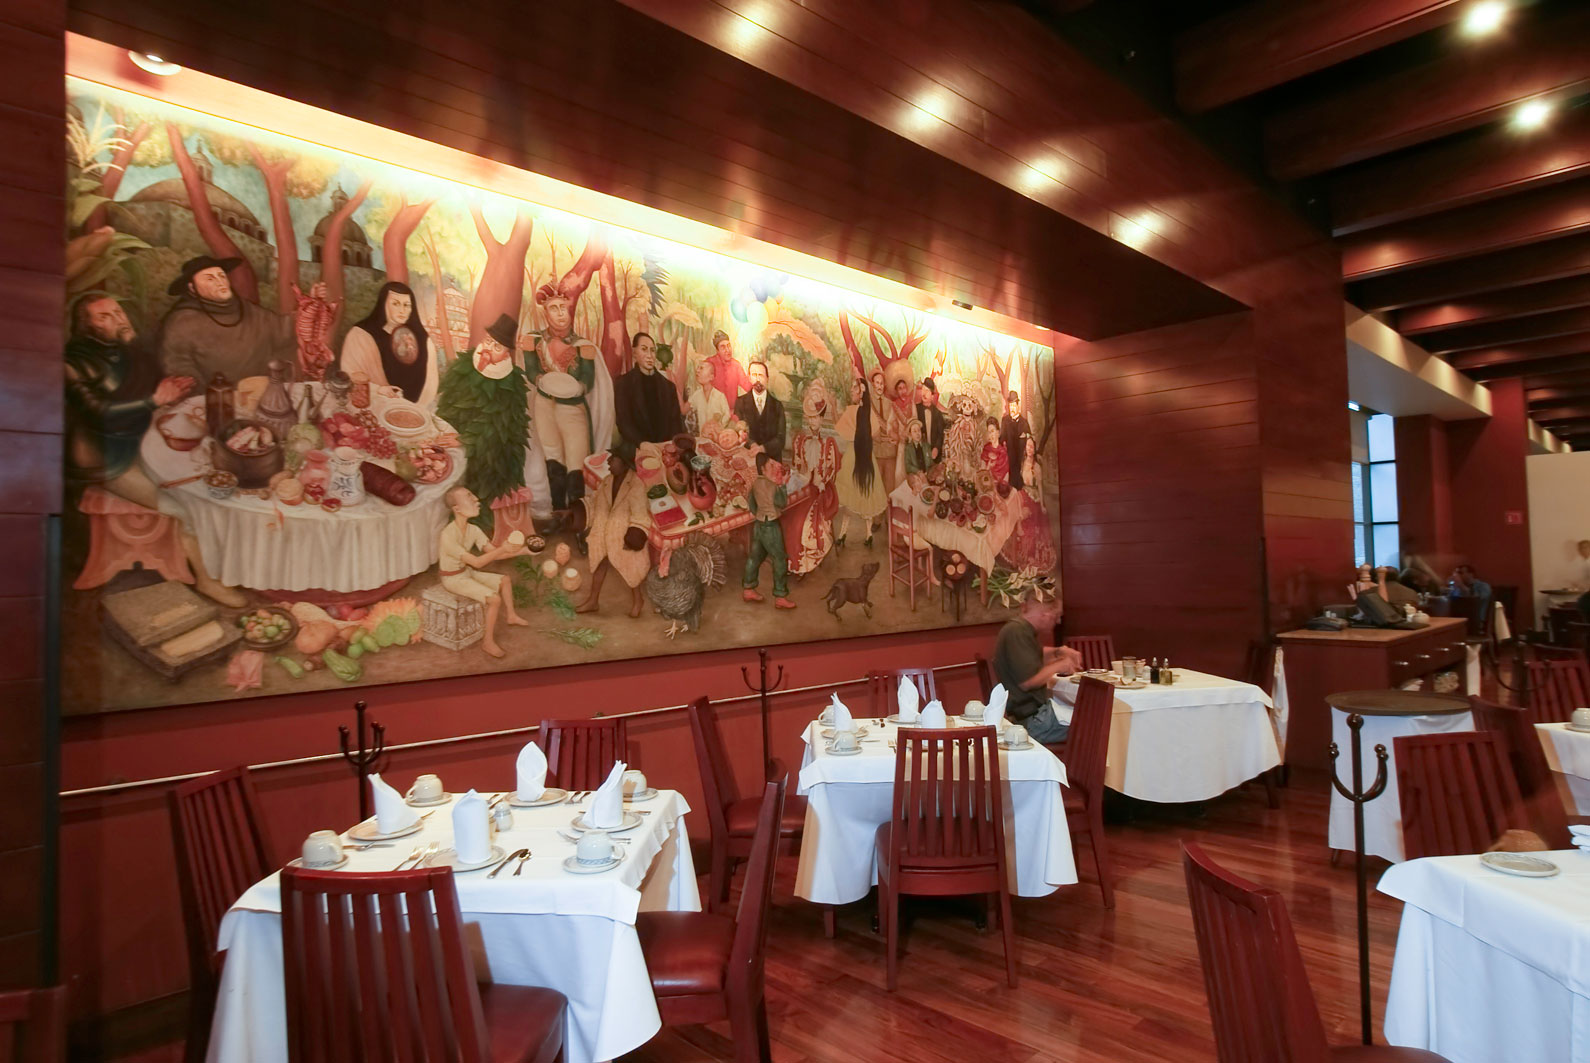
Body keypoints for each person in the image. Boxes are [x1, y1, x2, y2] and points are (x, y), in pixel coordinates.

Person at [64, 293, 246, 607]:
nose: (119, 319)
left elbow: (151, 388)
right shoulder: (73, 363)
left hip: (143, 439)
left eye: (118, 312)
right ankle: (207, 581)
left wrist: (170, 393)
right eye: (104, 317)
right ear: (86, 327)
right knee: (185, 507)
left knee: (215, 475)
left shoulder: (127, 349)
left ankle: (230, 565)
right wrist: (154, 401)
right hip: (108, 458)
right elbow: (100, 413)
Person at [157, 256, 321, 384]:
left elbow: (283, 328)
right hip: (215, 401)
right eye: (210, 278)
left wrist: (312, 304)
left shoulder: (245, 309)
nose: (220, 282)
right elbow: (179, 368)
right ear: (192, 288)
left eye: (222, 276)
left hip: (262, 395)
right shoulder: (181, 322)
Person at [524, 284, 614, 512]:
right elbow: (531, 370)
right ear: (546, 313)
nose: (560, 313)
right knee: (553, 459)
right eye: (554, 308)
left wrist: (577, 388)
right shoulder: (534, 340)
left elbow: (588, 380)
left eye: (563, 308)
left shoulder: (583, 345)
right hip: (544, 406)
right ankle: (558, 512)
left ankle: (578, 517)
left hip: (572, 409)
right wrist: (540, 381)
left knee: (576, 462)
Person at [437, 486, 530, 658]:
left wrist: (524, 551)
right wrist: (503, 548)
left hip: (465, 572)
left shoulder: (473, 530)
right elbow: (477, 562)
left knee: (505, 580)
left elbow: (495, 554)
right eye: (469, 496)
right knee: (494, 599)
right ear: (457, 509)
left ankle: (511, 616)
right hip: (453, 579)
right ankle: (487, 642)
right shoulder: (447, 535)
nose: (476, 499)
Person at [993, 596, 1082, 744]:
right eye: (1057, 615)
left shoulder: (1019, 629)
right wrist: (1060, 665)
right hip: (1033, 721)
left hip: (1030, 715)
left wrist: (1058, 652)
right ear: (1045, 613)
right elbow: (1027, 682)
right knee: (1097, 725)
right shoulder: (1017, 632)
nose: (1058, 621)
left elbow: (1032, 655)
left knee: (1088, 717)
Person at [575, 451, 652, 618]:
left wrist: (633, 537)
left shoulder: (636, 485)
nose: (608, 461)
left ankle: (638, 600)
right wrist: (573, 512)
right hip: (603, 531)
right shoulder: (607, 481)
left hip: (623, 535)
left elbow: (640, 514)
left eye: (613, 459)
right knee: (599, 563)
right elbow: (594, 502)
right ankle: (593, 600)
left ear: (624, 463)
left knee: (631, 570)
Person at [338, 281, 438, 407]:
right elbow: (350, 374)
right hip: (373, 406)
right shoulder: (360, 335)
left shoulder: (423, 340)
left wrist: (417, 408)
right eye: (395, 304)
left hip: (416, 410)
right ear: (383, 304)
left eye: (406, 305)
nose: (402, 310)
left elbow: (431, 383)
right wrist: (378, 390)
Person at [786, 381, 840, 576]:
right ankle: (793, 560)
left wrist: (821, 480)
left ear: (822, 418)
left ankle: (806, 561)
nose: (812, 422)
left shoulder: (829, 443)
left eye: (816, 417)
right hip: (804, 485)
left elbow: (832, 469)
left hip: (823, 489)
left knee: (804, 520)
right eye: (810, 418)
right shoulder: (800, 440)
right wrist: (803, 475)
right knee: (789, 514)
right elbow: (797, 465)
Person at [834, 376, 886, 548]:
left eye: (854, 388)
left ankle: (843, 534)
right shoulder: (867, 413)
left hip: (853, 457)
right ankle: (867, 534)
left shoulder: (853, 412)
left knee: (851, 497)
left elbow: (840, 427)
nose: (851, 391)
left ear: (861, 392)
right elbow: (877, 435)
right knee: (866, 493)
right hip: (865, 458)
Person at [614, 331, 683, 460]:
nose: (649, 355)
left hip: (666, 452)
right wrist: (641, 443)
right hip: (636, 448)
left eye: (652, 350)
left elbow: (676, 424)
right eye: (644, 349)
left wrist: (671, 448)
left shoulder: (668, 387)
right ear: (634, 353)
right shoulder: (623, 384)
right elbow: (623, 422)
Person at [743, 452, 795, 609]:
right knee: (780, 559)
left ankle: (748, 589)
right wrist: (783, 485)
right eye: (770, 465)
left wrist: (760, 514)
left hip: (759, 525)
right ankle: (780, 596)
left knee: (754, 558)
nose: (773, 468)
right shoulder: (773, 486)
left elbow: (752, 505)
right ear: (762, 469)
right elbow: (782, 503)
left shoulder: (755, 484)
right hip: (771, 526)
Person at [732, 360, 786, 459]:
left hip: (772, 459)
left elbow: (781, 439)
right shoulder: (740, 402)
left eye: (761, 375)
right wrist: (752, 444)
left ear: (767, 379)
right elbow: (738, 432)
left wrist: (762, 448)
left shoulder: (777, 405)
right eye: (754, 375)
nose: (757, 379)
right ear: (749, 378)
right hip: (748, 459)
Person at [704, 329, 752, 405]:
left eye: (729, 346)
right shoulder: (710, 363)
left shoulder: (736, 365)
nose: (727, 350)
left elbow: (747, 386)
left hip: (732, 410)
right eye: (723, 347)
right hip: (714, 410)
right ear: (717, 350)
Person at [686, 359, 731, 434]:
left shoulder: (720, 396)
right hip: (702, 437)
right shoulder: (696, 395)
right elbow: (684, 410)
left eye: (701, 368)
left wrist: (719, 427)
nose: (697, 371)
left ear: (711, 377)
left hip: (717, 436)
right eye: (698, 368)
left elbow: (727, 415)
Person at [1001, 391, 1031, 491]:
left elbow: (1029, 440)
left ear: (1018, 406)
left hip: (1020, 460)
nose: (1012, 409)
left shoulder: (1024, 422)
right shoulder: (1005, 421)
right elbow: (1001, 439)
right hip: (1009, 459)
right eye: (1010, 406)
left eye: (1014, 406)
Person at [915, 377, 947, 465]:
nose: (924, 393)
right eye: (923, 390)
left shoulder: (938, 414)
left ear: (932, 395)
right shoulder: (916, 410)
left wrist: (936, 448)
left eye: (927, 391)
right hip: (919, 455)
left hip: (934, 456)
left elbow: (940, 435)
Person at [981, 417, 1009, 489]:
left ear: (998, 433)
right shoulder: (986, 450)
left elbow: (1007, 474)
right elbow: (982, 475)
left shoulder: (1004, 452)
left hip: (1002, 488)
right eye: (989, 432)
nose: (991, 434)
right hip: (987, 487)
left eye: (992, 431)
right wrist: (988, 467)